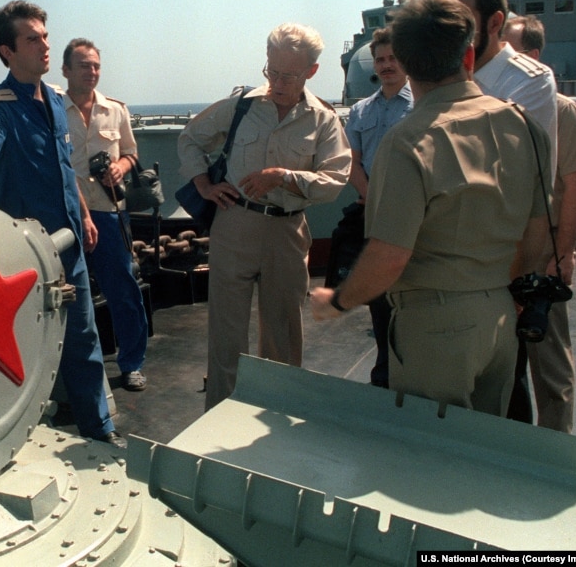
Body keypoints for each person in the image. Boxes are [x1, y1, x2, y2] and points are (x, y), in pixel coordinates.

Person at [311, 0, 552, 417]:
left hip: (435, 329)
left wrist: (337, 302)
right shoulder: (523, 125)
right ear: (470, 56)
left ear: (403, 61)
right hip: (501, 318)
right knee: (485, 455)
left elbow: (388, 257)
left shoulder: (407, 143)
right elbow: (536, 235)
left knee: (429, 464)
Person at [0, 0, 124, 447]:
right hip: (24, 257)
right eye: (32, 39)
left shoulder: (56, 101)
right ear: (7, 51)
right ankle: (20, 441)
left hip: (69, 247)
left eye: (45, 36)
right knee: (23, 348)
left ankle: (99, 432)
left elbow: (65, 169)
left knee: (84, 340)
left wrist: (83, 214)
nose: (45, 46)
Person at [178, 23, 351, 410]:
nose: (276, 81)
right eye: (271, 71)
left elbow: (334, 180)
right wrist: (204, 184)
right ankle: (221, 413)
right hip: (235, 223)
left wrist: (285, 177)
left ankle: (275, 415)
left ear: (311, 71)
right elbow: (190, 138)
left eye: (288, 74)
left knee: (283, 331)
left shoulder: (323, 120)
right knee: (226, 331)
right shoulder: (242, 106)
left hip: (287, 232)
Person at [503, 15, 576, 432]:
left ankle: (555, 451)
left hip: (542, 255)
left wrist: (563, 257)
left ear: (533, 57)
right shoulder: (494, 112)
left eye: (510, 51)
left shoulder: (564, 112)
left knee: (551, 369)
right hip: (499, 252)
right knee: (500, 367)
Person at [61, 38, 149, 392]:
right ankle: (75, 370)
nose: (91, 71)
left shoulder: (116, 110)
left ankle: (132, 364)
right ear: (65, 70)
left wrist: (121, 167)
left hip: (109, 213)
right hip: (67, 216)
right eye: (83, 65)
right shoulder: (52, 108)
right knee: (69, 295)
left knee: (123, 291)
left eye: (96, 65)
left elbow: (131, 152)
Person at [339, 28, 413, 388]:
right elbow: (352, 161)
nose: (386, 66)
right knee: (380, 302)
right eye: (380, 59)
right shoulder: (360, 110)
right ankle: (384, 377)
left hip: (413, 218)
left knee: (413, 299)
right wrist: (370, 195)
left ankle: (414, 379)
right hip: (373, 215)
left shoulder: (423, 106)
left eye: (393, 59)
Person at [445, 0, 558, 180]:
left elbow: (497, 161)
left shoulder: (530, 81)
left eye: (463, 22)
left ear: (495, 23)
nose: (452, 34)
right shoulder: (447, 76)